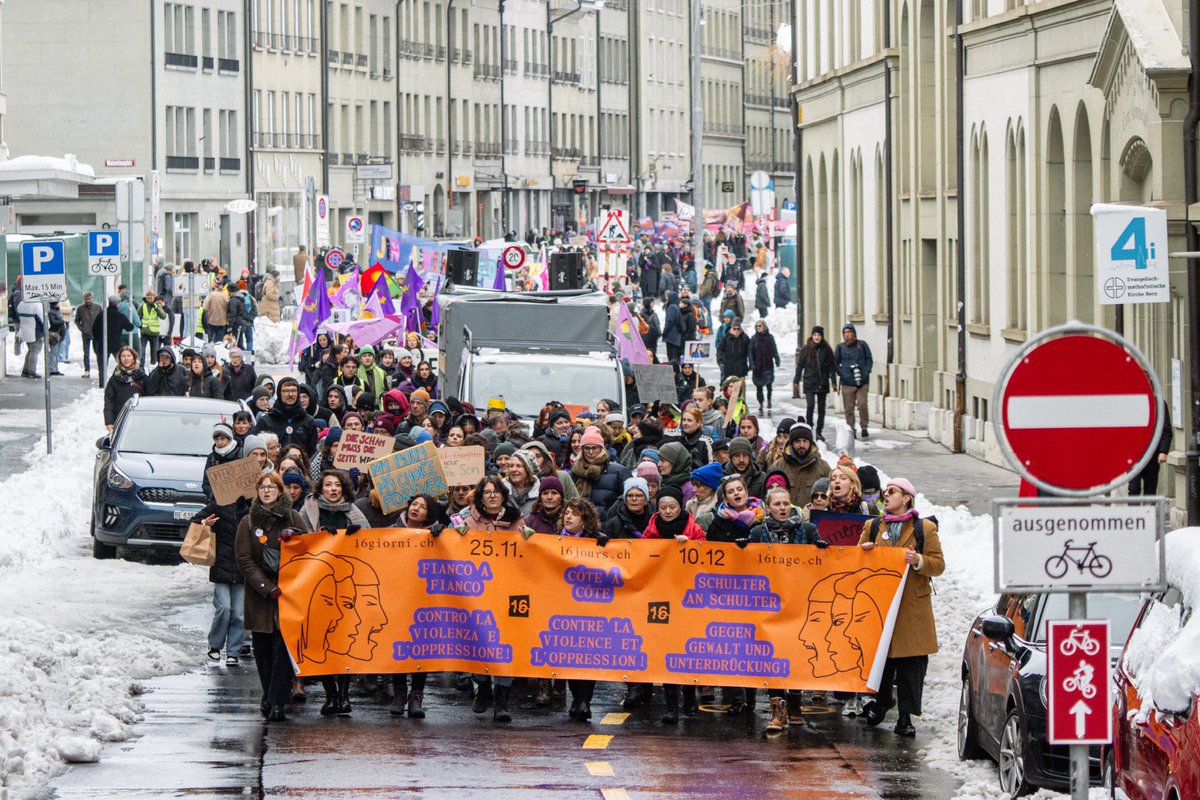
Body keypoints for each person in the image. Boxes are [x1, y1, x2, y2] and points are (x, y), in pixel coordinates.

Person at [859, 478, 944, 736]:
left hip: (911, 608)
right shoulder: (873, 526)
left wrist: (918, 560)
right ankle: (883, 701)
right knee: (880, 661)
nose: (887, 495)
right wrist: (864, 551)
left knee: (910, 665)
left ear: (907, 497)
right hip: (880, 605)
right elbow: (855, 560)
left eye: (892, 491)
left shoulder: (924, 528)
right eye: (886, 491)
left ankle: (905, 717)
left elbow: (938, 565)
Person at [235, 471, 309, 722]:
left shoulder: (293, 517)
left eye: (272, 487)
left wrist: (295, 538)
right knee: (263, 650)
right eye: (262, 487)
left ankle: (278, 701)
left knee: (283, 650)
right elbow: (244, 559)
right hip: (261, 596)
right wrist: (266, 587)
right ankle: (268, 694)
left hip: (289, 594)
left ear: (280, 491)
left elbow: (310, 550)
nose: (267, 491)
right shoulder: (248, 522)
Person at [300, 469, 369, 716]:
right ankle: (330, 693)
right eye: (328, 485)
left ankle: (344, 694)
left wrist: (357, 535)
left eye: (337, 485)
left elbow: (371, 544)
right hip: (318, 586)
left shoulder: (354, 513)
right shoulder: (308, 512)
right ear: (321, 488)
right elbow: (299, 541)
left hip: (347, 587)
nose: (333, 489)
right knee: (322, 643)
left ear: (343, 488)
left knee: (343, 644)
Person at [192, 423, 252, 668]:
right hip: (222, 565)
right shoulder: (219, 503)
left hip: (242, 567)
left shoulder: (250, 509)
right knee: (223, 610)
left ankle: (234, 651)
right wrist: (205, 523)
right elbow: (197, 519)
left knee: (238, 613)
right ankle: (215, 645)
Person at [556, 497, 605, 721]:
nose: (568, 517)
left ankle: (585, 701)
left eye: (574, 514)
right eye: (566, 513)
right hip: (563, 606)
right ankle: (576, 698)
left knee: (587, 657)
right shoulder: (554, 541)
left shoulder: (596, 542)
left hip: (589, 608)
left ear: (585, 521)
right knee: (569, 656)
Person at [571, 426, 632, 524]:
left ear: (601, 448)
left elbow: (627, 503)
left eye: (594, 448)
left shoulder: (619, 472)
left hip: (608, 528)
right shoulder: (576, 471)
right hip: (581, 527)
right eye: (587, 448)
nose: (591, 452)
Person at [253, 377, 320, 457]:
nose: (290, 394)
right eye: (286, 391)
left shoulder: (308, 421)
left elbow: (313, 452)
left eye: (293, 391)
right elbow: (256, 449)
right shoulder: (266, 421)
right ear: (279, 393)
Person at [771, 422, 831, 508]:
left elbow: (832, 496)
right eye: (797, 441)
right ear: (791, 443)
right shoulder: (778, 466)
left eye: (805, 441)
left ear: (810, 443)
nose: (801, 445)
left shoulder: (823, 467)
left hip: (813, 519)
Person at [796, 326, 837, 439]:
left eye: (818, 335)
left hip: (822, 382)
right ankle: (809, 427)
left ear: (822, 336)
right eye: (815, 335)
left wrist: (833, 381)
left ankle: (819, 430)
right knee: (810, 406)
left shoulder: (826, 349)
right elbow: (800, 366)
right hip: (809, 381)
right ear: (812, 336)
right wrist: (796, 380)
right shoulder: (806, 349)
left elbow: (832, 366)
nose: (816, 337)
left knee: (821, 408)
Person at [836, 322, 874, 438]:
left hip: (862, 382)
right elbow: (835, 363)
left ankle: (864, 426)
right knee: (849, 408)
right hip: (847, 382)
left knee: (862, 404)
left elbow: (869, 359)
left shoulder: (862, 345)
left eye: (849, 332)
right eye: (845, 333)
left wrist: (866, 371)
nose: (847, 335)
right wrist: (842, 374)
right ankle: (851, 428)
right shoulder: (840, 348)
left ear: (854, 333)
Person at [1130, 398, 1172, 495]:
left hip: (1152, 453)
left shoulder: (1160, 404)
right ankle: (1134, 510)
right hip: (1134, 455)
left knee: (1150, 488)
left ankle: (1149, 509)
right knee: (1133, 488)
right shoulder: (1131, 402)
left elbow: (1166, 430)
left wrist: (1163, 451)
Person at [103, 346, 146, 430]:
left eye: (129, 356)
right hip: (120, 419)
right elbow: (109, 401)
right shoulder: (114, 379)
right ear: (119, 359)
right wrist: (109, 422)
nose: (126, 358)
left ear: (134, 358)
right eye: (123, 356)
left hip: (139, 419)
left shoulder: (142, 377)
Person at [748, 319, 780, 413]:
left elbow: (774, 348)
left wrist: (777, 358)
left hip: (768, 364)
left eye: (760, 326)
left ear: (764, 326)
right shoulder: (754, 339)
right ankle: (761, 402)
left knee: (769, 385)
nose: (758, 328)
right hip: (758, 367)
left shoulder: (770, 337)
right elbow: (750, 352)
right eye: (757, 326)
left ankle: (769, 400)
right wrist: (752, 364)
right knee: (759, 387)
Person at [15, 295, 44, 379]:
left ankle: (26, 370)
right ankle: (32, 371)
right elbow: (42, 320)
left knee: (31, 351)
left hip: (25, 331)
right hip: (36, 332)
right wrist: (47, 329)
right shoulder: (36, 305)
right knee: (35, 351)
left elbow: (18, 316)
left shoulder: (21, 304)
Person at [75, 292, 102, 380]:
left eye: (89, 299)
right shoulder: (80, 309)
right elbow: (77, 320)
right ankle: (87, 371)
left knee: (98, 353)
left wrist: (99, 329)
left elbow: (102, 319)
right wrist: (82, 329)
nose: (88, 301)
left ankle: (100, 370)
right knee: (86, 353)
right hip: (86, 334)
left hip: (96, 334)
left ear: (92, 298)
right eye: (86, 299)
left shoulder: (98, 307)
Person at [138, 290, 164, 365]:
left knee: (154, 352)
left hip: (154, 333)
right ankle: (141, 367)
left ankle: (153, 367)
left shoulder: (157, 306)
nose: (149, 300)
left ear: (154, 298)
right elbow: (137, 316)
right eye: (148, 298)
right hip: (144, 332)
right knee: (141, 351)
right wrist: (140, 326)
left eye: (151, 298)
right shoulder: (143, 306)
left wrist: (156, 308)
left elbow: (163, 316)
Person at [662, 291, 685, 372]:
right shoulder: (676, 306)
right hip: (676, 336)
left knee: (671, 357)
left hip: (671, 336)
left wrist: (664, 332)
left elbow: (670, 321)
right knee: (675, 356)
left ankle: (674, 373)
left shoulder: (672, 307)